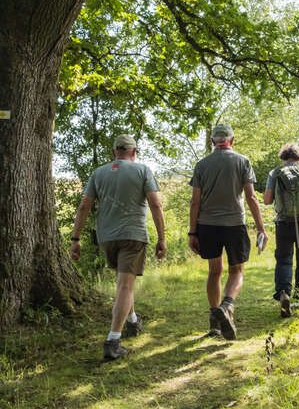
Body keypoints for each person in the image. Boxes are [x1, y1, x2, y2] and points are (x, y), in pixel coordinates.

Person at [70, 134, 167, 360]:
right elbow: (155, 203)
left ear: (114, 152)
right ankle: (113, 341)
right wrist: (162, 238)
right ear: (134, 152)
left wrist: (75, 239)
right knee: (125, 286)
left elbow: (84, 205)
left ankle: (133, 321)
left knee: (124, 283)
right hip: (132, 236)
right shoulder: (142, 170)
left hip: (107, 237)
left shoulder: (99, 173)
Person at [188, 123, 267, 340]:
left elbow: (195, 202)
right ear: (232, 140)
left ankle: (215, 321)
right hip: (234, 224)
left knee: (215, 272)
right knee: (236, 271)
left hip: (207, 225)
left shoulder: (202, 165)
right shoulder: (242, 161)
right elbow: (251, 197)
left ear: (213, 141)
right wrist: (261, 228)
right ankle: (227, 305)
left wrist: (192, 232)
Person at [263, 143, 299, 318]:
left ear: (283, 158)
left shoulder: (275, 173)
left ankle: (284, 293)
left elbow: (267, 200)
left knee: (283, 259)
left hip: (283, 222)